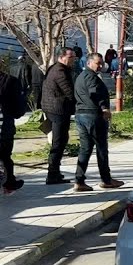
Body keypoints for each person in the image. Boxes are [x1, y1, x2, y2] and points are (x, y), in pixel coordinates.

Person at [73, 54, 124, 191]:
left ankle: (79, 180)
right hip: (92, 116)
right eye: (98, 63)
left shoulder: (81, 76)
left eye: (102, 63)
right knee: (101, 148)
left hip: (81, 115)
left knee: (85, 148)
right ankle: (106, 179)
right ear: (89, 62)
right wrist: (104, 108)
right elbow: (94, 93)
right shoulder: (90, 77)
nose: (100, 66)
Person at [40, 48, 77, 186]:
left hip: (54, 109)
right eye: (71, 57)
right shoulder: (60, 71)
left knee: (61, 140)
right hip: (58, 110)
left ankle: (55, 172)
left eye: (74, 57)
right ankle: (52, 173)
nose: (73, 59)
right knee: (59, 142)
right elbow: (69, 92)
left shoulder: (55, 68)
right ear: (61, 57)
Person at [0, 66, 24, 195]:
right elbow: (19, 105)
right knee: (5, 155)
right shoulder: (10, 81)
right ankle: (9, 182)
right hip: (5, 124)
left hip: (5, 124)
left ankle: (9, 181)